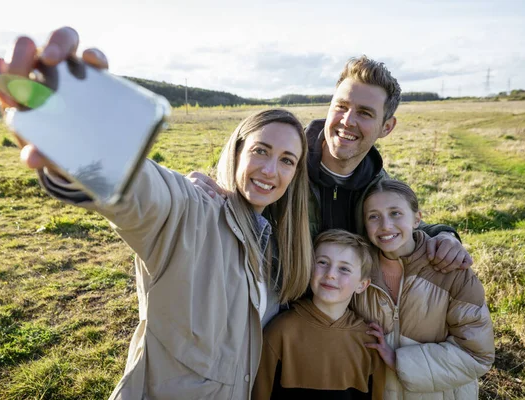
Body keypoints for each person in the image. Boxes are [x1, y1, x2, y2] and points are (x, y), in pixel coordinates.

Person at [0, 28, 314, 400]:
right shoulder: (193, 212)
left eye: (287, 160)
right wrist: (88, 146)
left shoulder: (276, 242)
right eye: (261, 151)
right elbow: (146, 192)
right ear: (237, 151)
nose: (271, 170)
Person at [189, 56, 473, 273]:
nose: (347, 121)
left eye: (364, 113)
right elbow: (236, 196)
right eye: (341, 106)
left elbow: (406, 228)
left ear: (387, 127)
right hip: (271, 312)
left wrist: (445, 236)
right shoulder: (285, 165)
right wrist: (199, 192)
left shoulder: (379, 187)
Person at [354, 179, 494, 399]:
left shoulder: (452, 269)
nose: (385, 225)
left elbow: (477, 354)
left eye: (395, 213)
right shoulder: (358, 273)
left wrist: (398, 361)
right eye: (374, 216)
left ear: (417, 219)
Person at [252, 229, 389, 399]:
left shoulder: (369, 342)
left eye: (344, 269)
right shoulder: (281, 331)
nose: (330, 274)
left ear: (362, 284)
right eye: (322, 262)